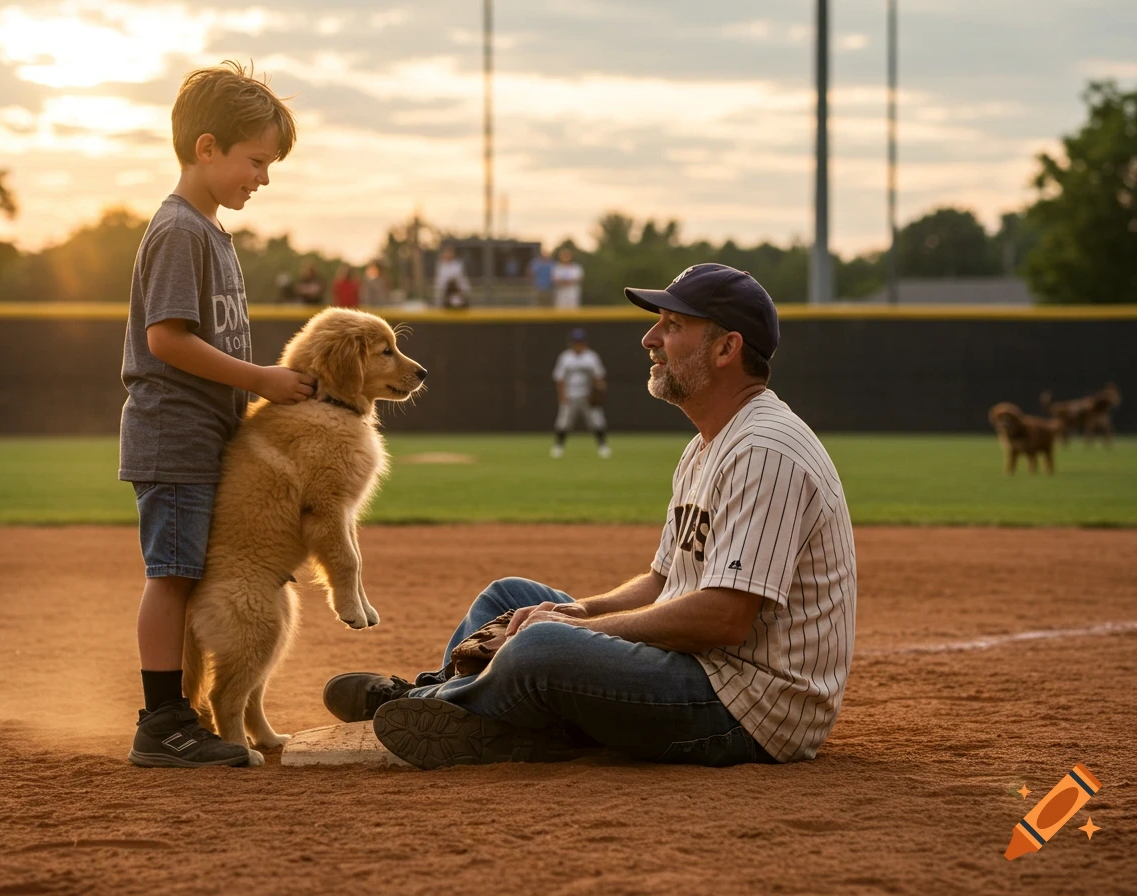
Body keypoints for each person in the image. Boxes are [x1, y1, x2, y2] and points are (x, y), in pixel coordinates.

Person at [323, 263, 857, 771]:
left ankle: (450, 706)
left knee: (541, 642)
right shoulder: (707, 446)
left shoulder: (765, 449)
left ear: (726, 348)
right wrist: (578, 611)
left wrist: (578, 630)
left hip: (749, 708)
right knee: (510, 598)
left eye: (672, 326)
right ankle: (444, 695)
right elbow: (661, 582)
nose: (650, 339)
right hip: (705, 672)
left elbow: (723, 618)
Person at [118, 61, 316, 768]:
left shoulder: (211, 231)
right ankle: (161, 720)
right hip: (174, 434)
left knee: (195, 574)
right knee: (171, 573)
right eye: (256, 160)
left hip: (209, 436)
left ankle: (191, 710)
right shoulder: (178, 230)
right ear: (207, 148)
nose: (262, 177)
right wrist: (262, 378)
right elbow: (166, 340)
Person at [550, 327, 610, 458]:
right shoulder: (565, 357)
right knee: (564, 422)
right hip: (570, 395)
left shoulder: (591, 357)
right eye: (576, 342)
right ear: (571, 343)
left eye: (580, 341)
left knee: (597, 421)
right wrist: (562, 395)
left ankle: (603, 447)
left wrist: (598, 389)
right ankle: (558, 447)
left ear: (585, 342)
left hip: (588, 396)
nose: (578, 344)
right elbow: (559, 379)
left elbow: (598, 376)